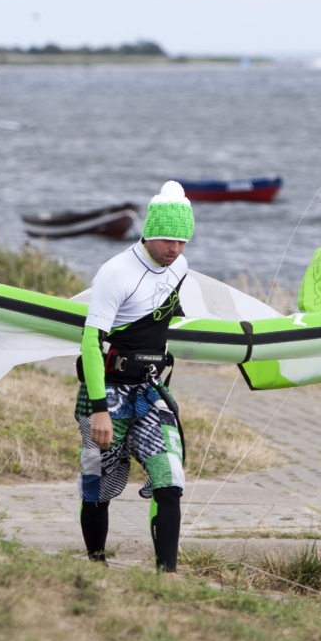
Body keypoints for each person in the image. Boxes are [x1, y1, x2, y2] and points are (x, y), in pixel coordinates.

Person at [74, 180, 193, 574]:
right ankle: (96, 563)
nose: (173, 249)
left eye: (181, 241)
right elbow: (91, 344)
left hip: (150, 391)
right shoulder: (116, 272)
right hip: (106, 392)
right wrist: (99, 410)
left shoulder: (181, 267)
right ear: (147, 233)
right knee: (98, 486)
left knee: (170, 477)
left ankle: (167, 575)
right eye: (165, 239)